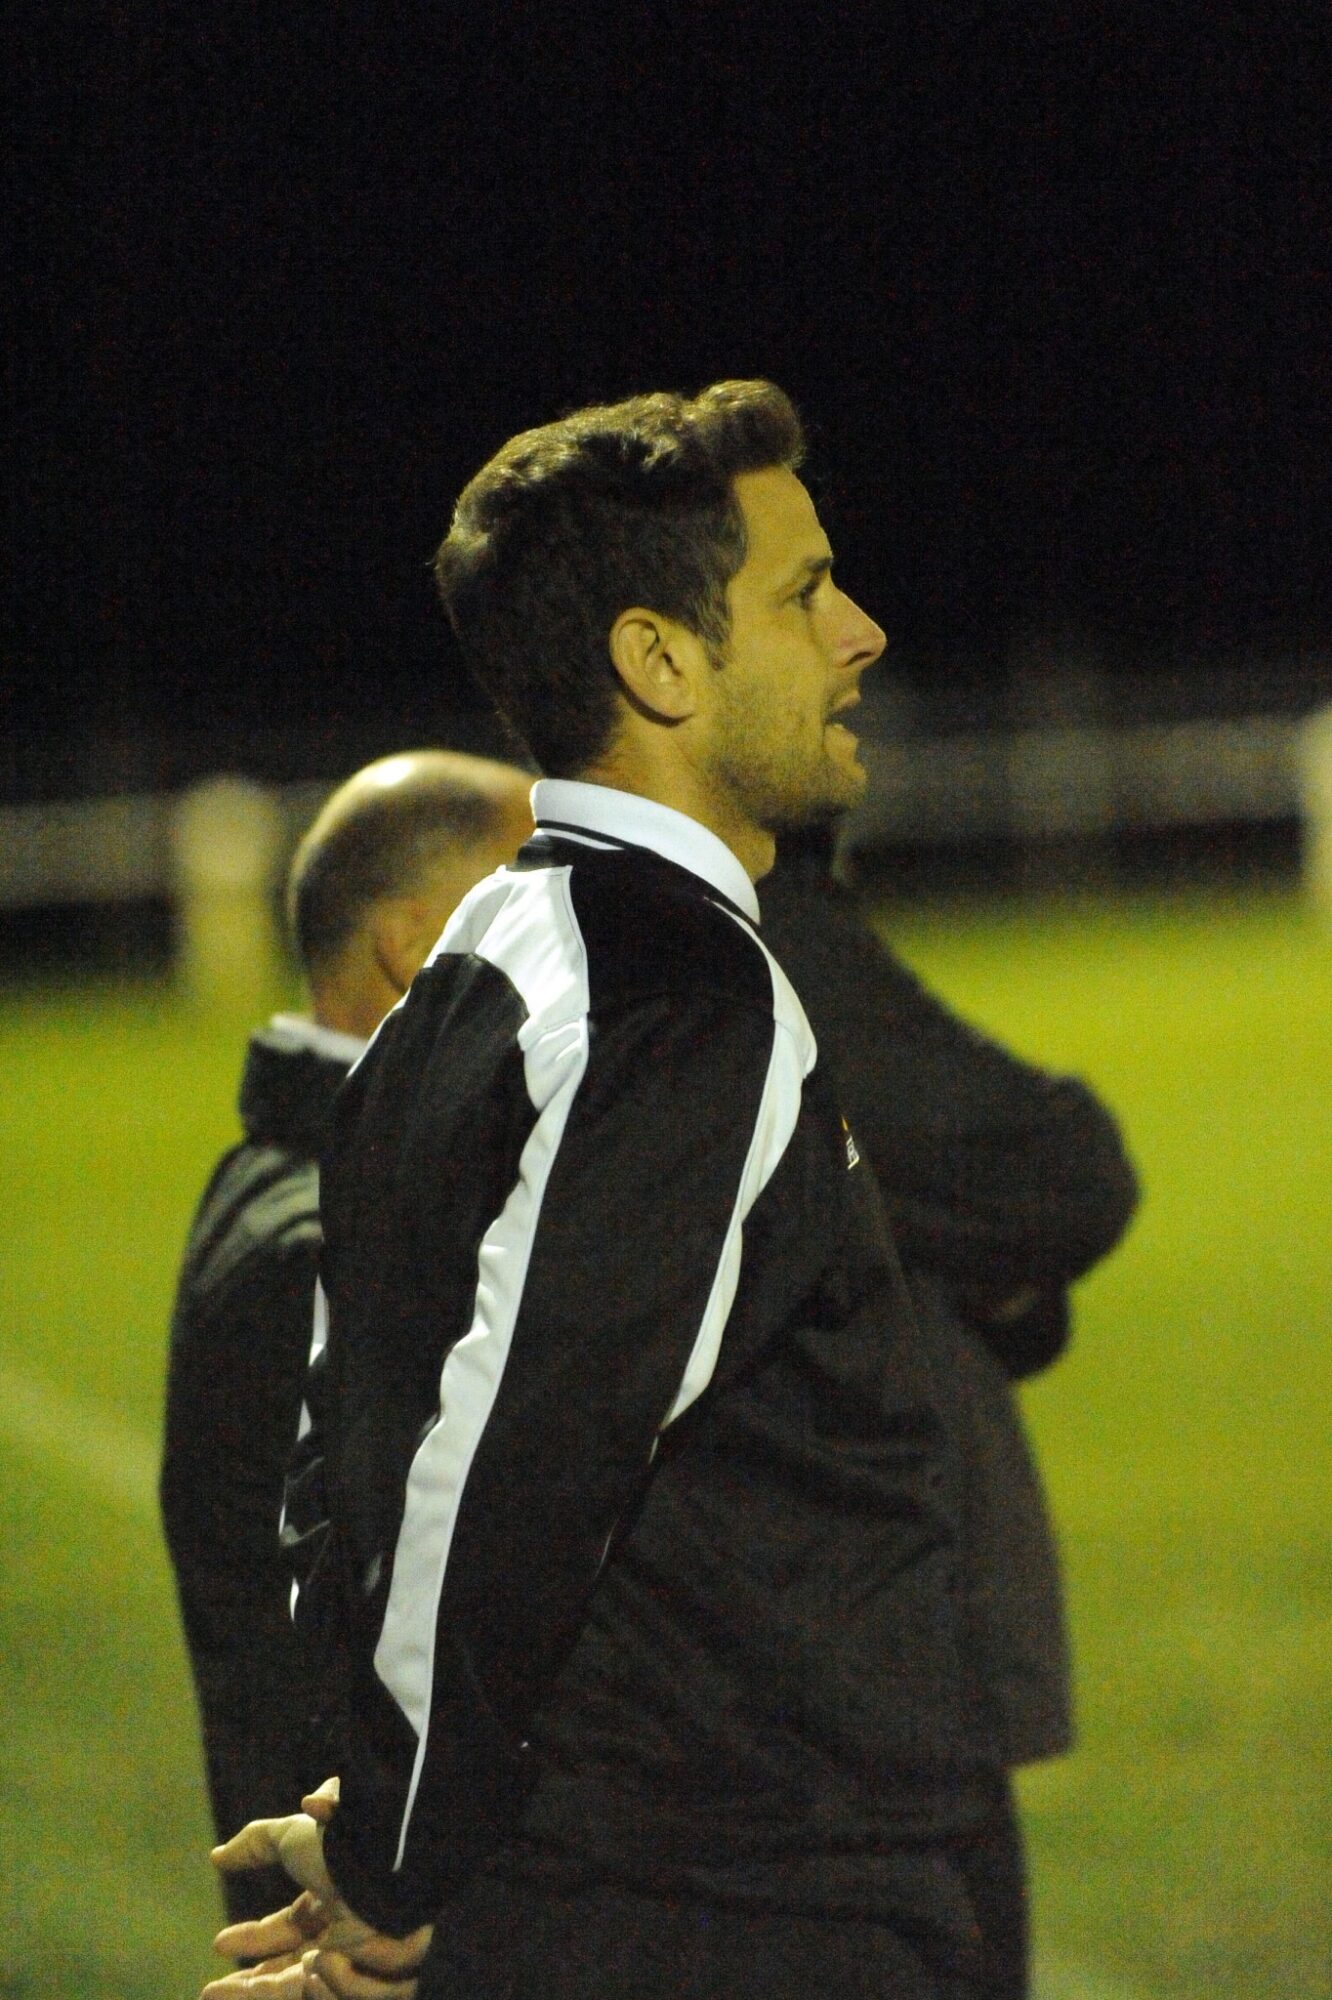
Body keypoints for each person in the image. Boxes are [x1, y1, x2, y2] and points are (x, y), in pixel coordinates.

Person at [199, 381, 1037, 2000]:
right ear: (658, 662)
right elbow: (515, 1446)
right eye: (800, 594)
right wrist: (390, 1858)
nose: (858, 633)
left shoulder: (488, 954)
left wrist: (390, 1817)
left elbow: (348, 1447)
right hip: (750, 1909)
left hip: (623, 1877)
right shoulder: (673, 1000)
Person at [761, 833, 1139, 1997]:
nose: (859, 640)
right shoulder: (735, 922)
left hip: (815, 1671)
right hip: (857, 1666)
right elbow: (1065, 1168)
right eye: (798, 628)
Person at [160, 749, 534, 1925]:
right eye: (533, 899)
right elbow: (351, 1672)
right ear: (416, 950)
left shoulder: (295, 1177)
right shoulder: (329, 1243)